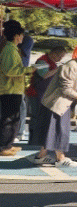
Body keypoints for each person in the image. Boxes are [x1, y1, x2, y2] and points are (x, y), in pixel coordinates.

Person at [32, 45, 77, 167]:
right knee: (59, 131)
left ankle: (40, 156)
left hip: (65, 103)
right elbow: (65, 88)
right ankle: (60, 159)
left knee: (52, 130)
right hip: (57, 103)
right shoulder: (70, 65)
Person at [0, 20, 35, 155]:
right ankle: (4, 147)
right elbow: (9, 70)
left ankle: (8, 144)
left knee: (12, 119)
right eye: (21, 35)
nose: (22, 38)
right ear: (16, 36)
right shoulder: (9, 50)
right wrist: (29, 70)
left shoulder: (12, 49)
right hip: (9, 90)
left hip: (13, 89)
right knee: (8, 120)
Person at [27, 46, 67, 145]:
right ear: (54, 53)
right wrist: (58, 69)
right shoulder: (42, 61)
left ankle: (39, 138)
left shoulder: (51, 62)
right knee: (37, 116)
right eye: (59, 56)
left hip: (44, 93)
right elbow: (44, 75)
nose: (60, 59)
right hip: (36, 92)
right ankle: (33, 139)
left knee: (43, 117)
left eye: (62, 57)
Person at [17, 33, 34, 142]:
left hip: (18, 79)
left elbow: (23, 55)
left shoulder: (27, 40)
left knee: (20, 105)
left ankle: (19, 132)